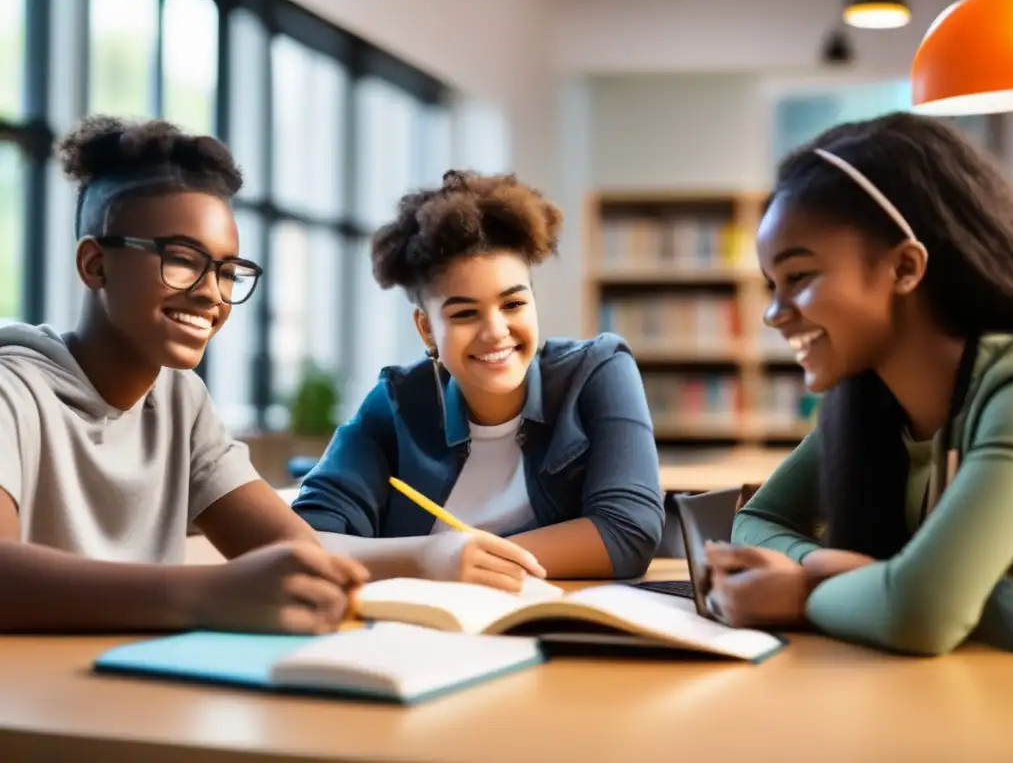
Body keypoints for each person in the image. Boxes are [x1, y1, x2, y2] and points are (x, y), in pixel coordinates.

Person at [0, 115, 367, 634]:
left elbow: (294, 550)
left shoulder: (180, 400)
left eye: (226, 271)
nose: (211, 293)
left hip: (144, 692)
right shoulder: (12, 391)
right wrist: (209, 593)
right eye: (180, 260)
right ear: (95, 265)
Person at [705, 111, 1013, 656]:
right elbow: (758, 519)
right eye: (771, 286)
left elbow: (922, 612)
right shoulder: (870, 399)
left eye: (799, 277)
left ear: (904, 267)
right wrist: (866, 577)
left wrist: (807, 590)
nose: (774, 314)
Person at [292, 170, 663, 591]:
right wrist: (429, 559)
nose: (495, 331)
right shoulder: (395, 403)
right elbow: (304, 543)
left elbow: (628, 531)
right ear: (427, 329)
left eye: (514, 303)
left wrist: (471, 560)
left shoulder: (597, 371)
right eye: (465, 313)